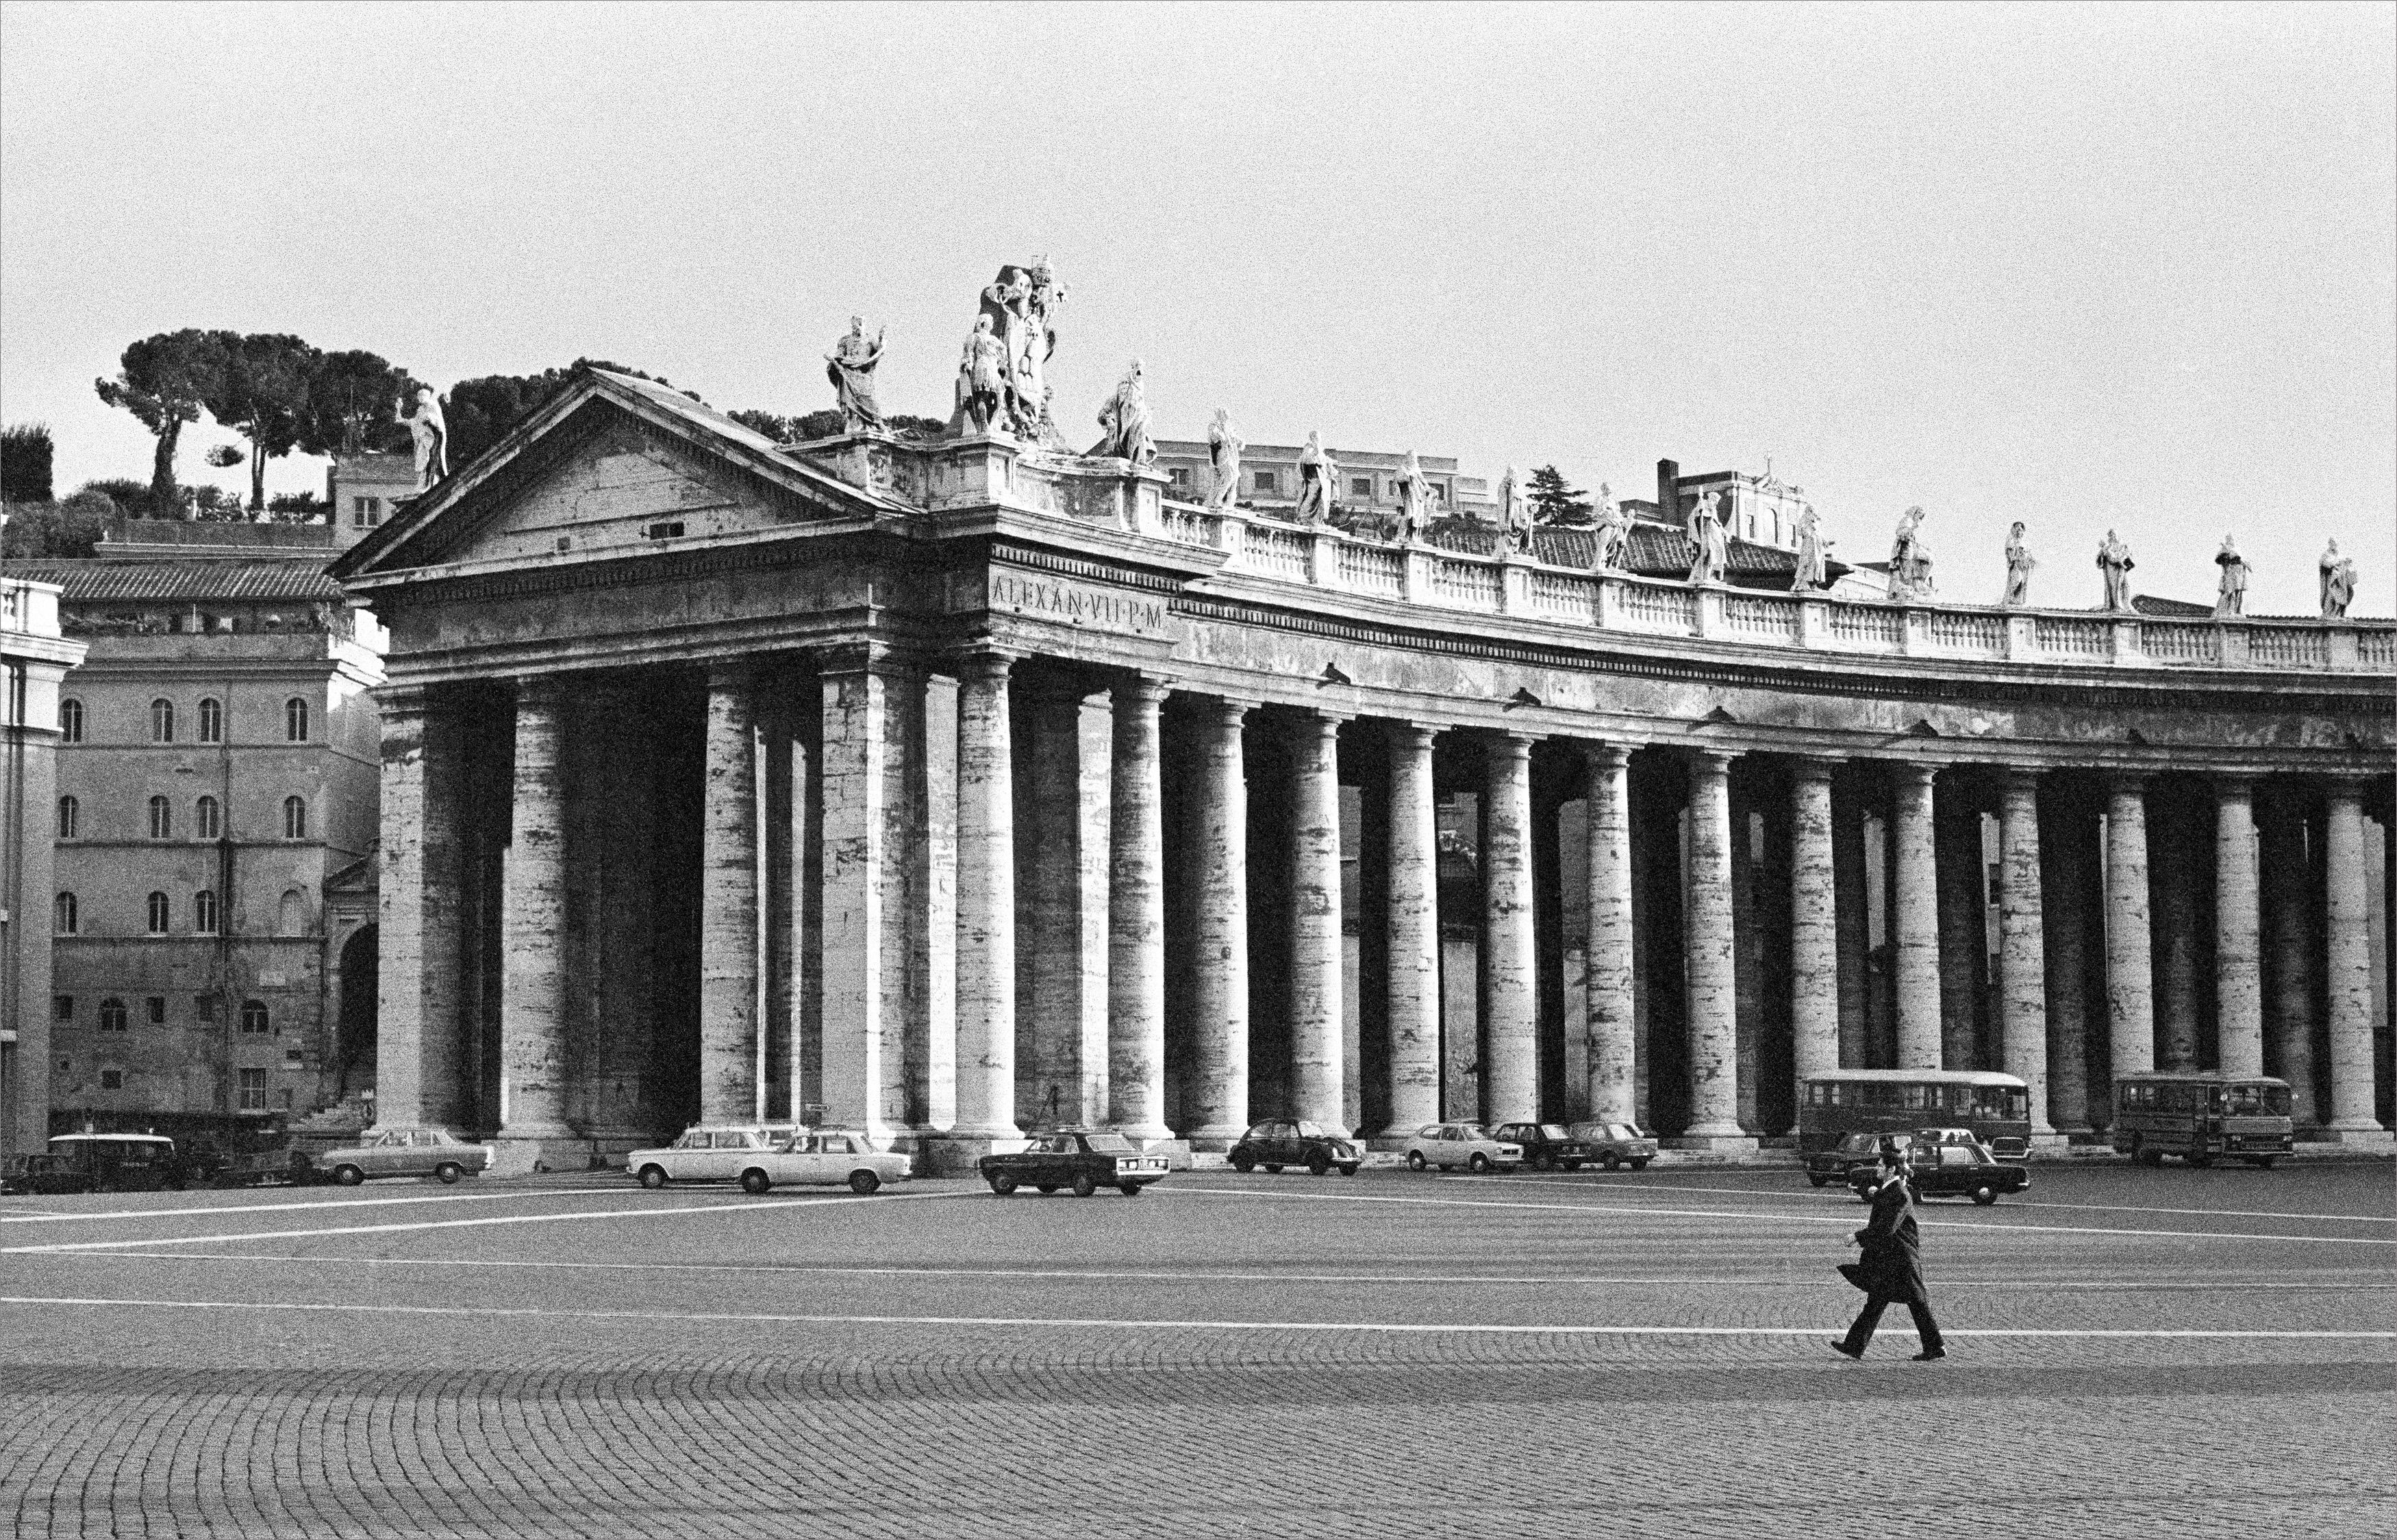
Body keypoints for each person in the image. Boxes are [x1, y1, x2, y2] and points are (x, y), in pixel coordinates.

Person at [1833, 1142, 1946, 1361]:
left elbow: (1887, 1228)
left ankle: (1935, 1346)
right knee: (1877, 1301)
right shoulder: (1892, 1191)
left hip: (1902, 1258)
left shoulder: (1900, 1194)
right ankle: (1854, 1346)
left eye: (1880, 1165)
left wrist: (1858, 1237)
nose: (1877, 1168)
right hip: (1892, 1257)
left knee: (1916, 1301)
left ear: (1891, 1170)